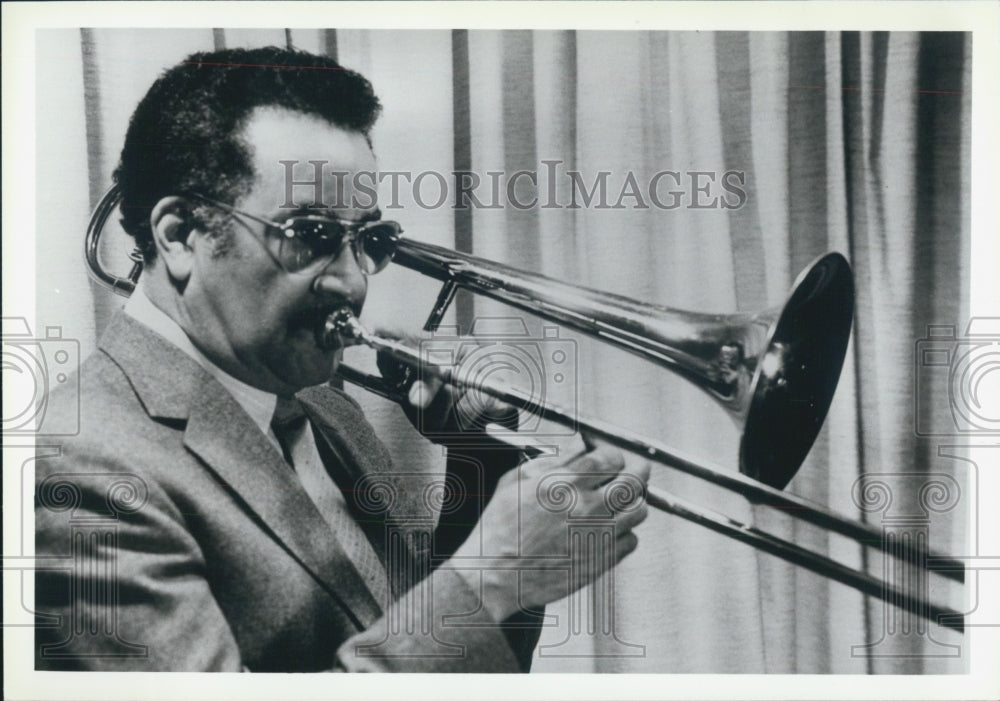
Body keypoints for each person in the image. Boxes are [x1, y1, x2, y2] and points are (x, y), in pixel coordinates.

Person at [34, 46, 649, 672]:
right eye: (310, 235)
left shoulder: (328, 411)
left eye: (370, 240)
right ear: (179, 237)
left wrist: (478, 459)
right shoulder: (79, 465)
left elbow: (456, 663)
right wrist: (490, 578)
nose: (353, 283)